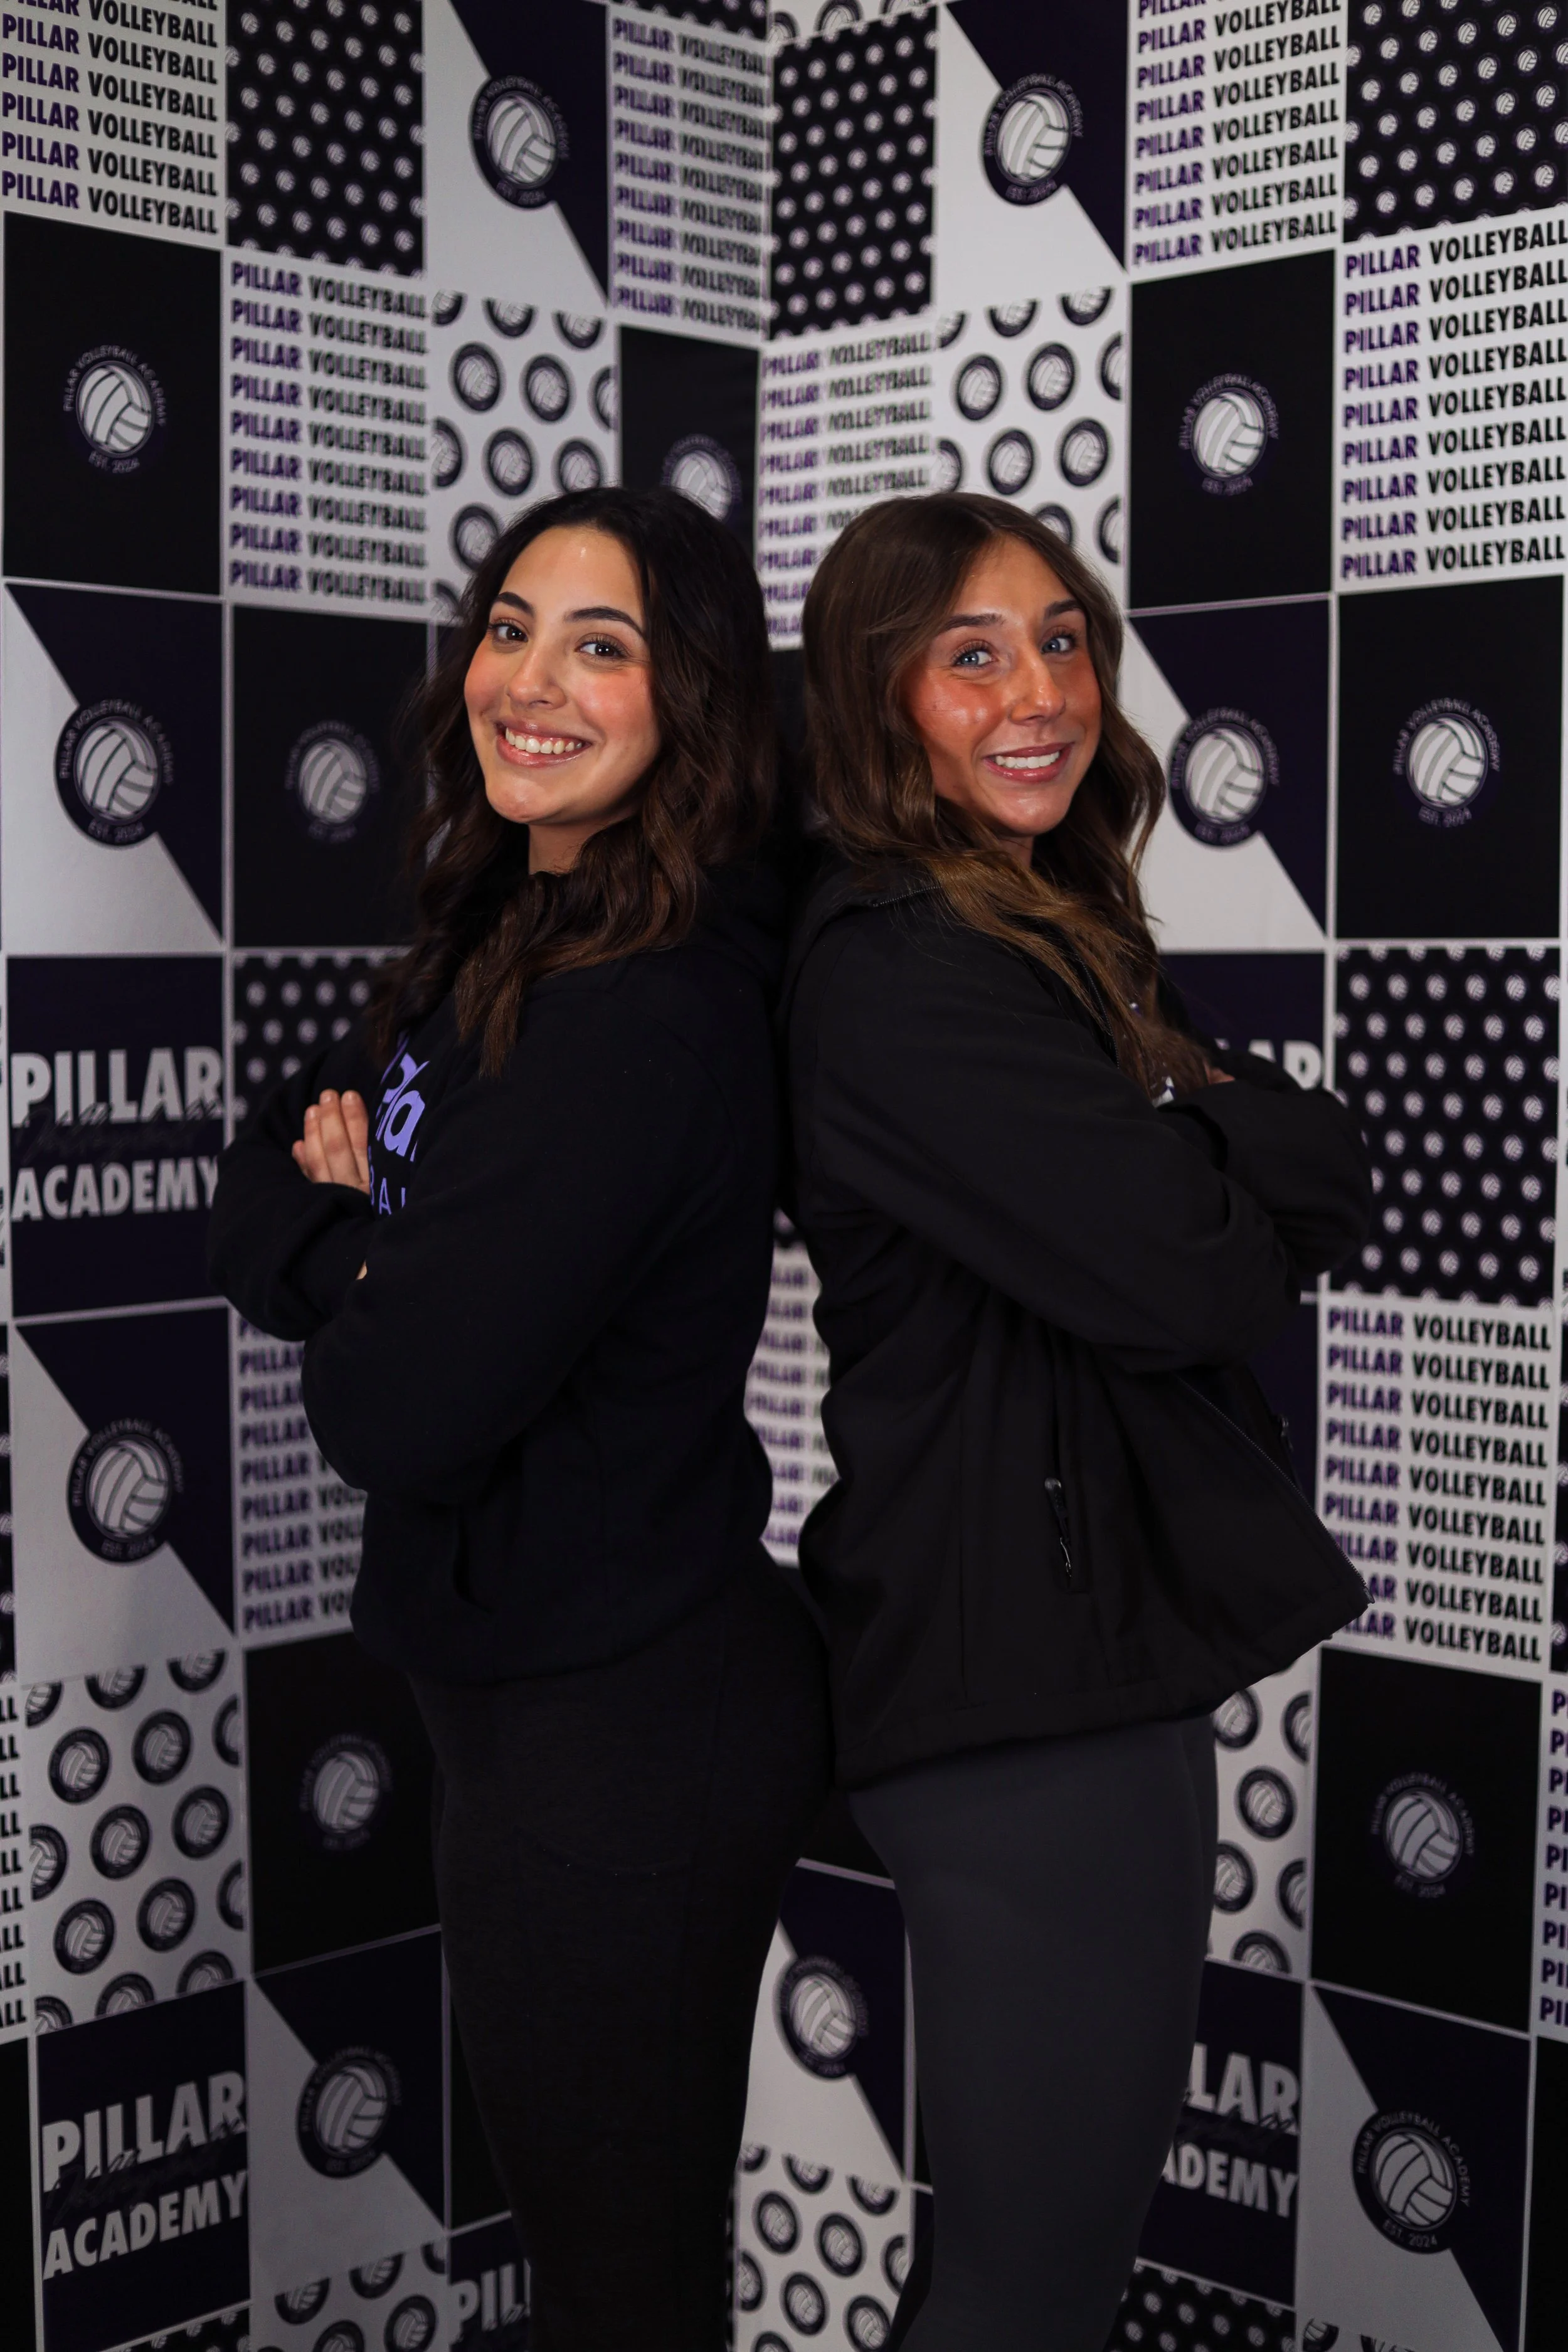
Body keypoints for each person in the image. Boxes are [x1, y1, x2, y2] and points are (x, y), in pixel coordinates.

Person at [209, 487, 831, 2351]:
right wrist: (364, 1243)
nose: (529, 679)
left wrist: (339, 1256)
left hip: (620, 1732)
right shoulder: (518, 924)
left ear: (692, 704)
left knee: (617, 2298)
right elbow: (272, 1159)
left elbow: (401, 1403)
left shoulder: (639, 1011)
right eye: (508, 625)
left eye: (602, 642)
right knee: (603, 2273)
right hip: (539, 1703)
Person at [782, 492, 1371, 2351]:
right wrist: (1208, 1122)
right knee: (1029, 2297)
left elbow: (1317, 1182)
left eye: (1059, 639)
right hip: (1013, 1698)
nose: (1037, 689)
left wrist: (1194, 1126)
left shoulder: (1035, 918)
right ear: (878, 707)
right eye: (969, 655)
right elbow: (1204, 1271)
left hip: (1063, 1671)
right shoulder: (900, 970)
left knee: (1016, 2280)